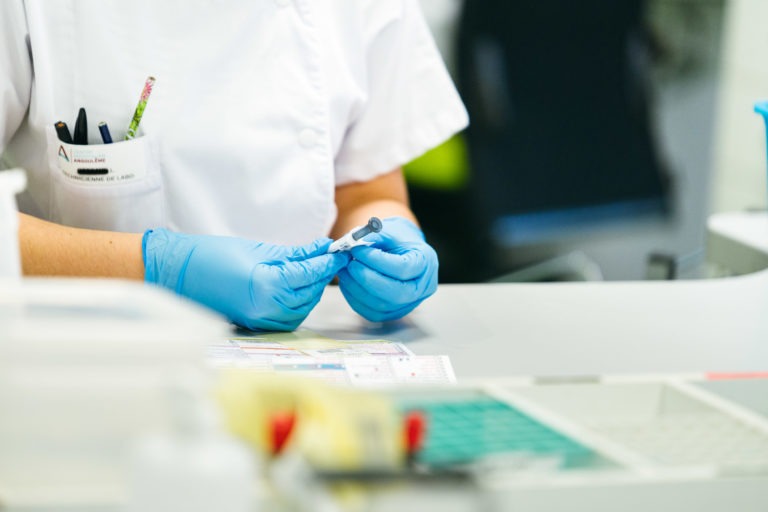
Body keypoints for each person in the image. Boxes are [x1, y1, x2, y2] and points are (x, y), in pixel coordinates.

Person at [0, 0, 468, 331]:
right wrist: (161, 268)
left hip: (308, 356)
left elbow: (367, 190)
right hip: (92, 354)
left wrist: (393, 242)